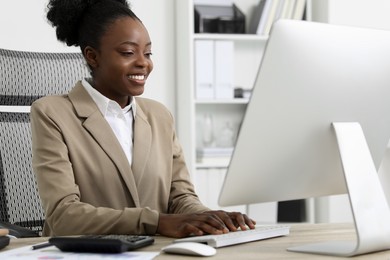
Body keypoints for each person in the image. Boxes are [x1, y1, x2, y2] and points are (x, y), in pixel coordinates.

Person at [31, 0, 256, 237]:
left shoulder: (159, 116)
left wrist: (208, 218)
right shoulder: (51, 113)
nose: (143, 62)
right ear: (92, 56)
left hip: (157, 252)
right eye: (128, 52)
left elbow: (181, 198)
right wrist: (155, 222)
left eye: (148, 52)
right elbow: (64, 217)